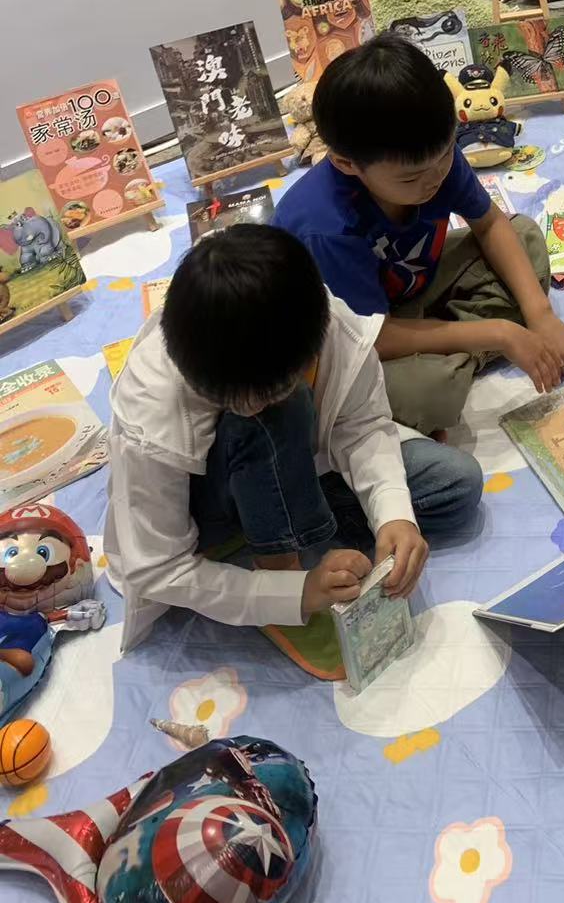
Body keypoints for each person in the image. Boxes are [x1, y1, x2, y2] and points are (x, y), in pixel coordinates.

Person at [105, 226, 482, 652]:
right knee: (273, 417)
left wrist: (394, 516)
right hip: (208, 512)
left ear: (315, 345)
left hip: (294, 467)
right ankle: (280, 563)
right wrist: (295, 593)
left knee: (456, 484)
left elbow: (363, 425)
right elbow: (158, 569)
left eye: (271, 389)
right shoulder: (151, 409)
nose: (249, 406)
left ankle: (292, 534)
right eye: (227, 399)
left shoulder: (320, 322)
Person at [275, 33, 564, 435]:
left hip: (409, 292)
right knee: (430, 394)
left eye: (447, 154)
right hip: (350, 339)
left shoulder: (431, 155)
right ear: (346, 163)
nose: (435, 179)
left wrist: (541, 315)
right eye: (411, 178)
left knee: (524, 236)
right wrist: (501, 333)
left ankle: (454, 346)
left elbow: (490, 223)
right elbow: (374, 337)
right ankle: (464, 347)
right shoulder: (326, 228)